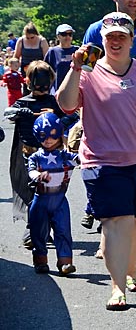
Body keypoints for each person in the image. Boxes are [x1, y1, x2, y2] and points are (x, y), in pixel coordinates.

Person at [56, 11, 136, 311]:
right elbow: (65, 105)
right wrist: (75, 68)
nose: (115, 41)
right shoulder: (87, 73)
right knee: (118, 222)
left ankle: (129, 271)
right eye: (110, 37)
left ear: (131, 40)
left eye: (121, 37)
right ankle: (117, 286)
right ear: (101, 40)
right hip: (104, 162)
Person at [5, 61, 69, 249]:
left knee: (49, 194)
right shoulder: (24, 101)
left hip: (52, 157)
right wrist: (21, 111)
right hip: (29, 154)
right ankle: (33, 229)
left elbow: (71, 116)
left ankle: (42, 228)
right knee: (31, 192)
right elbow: (8, 112)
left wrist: (56, 117)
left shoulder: (53, 102)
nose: (41, 87)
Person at [28, 112, 79, 275]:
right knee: (38, 231)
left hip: (60, 201)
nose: (48, 139)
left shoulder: (65, 156)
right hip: (40, 199)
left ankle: (65, 262)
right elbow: (30, 171)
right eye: (43, 135)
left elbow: (81, 159)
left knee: (63, 230)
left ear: (59, 133)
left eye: (52, 134)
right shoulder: (36, 157)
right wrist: (38, 176)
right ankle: (40, 260)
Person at [44, 24, 79, 95]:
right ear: (58, 36)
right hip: (57, 90)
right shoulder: (52, 51)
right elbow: (46, 72)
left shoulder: (78, 50)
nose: (67, 37)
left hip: (75, 89)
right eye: (64, 34)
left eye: (70, 34)